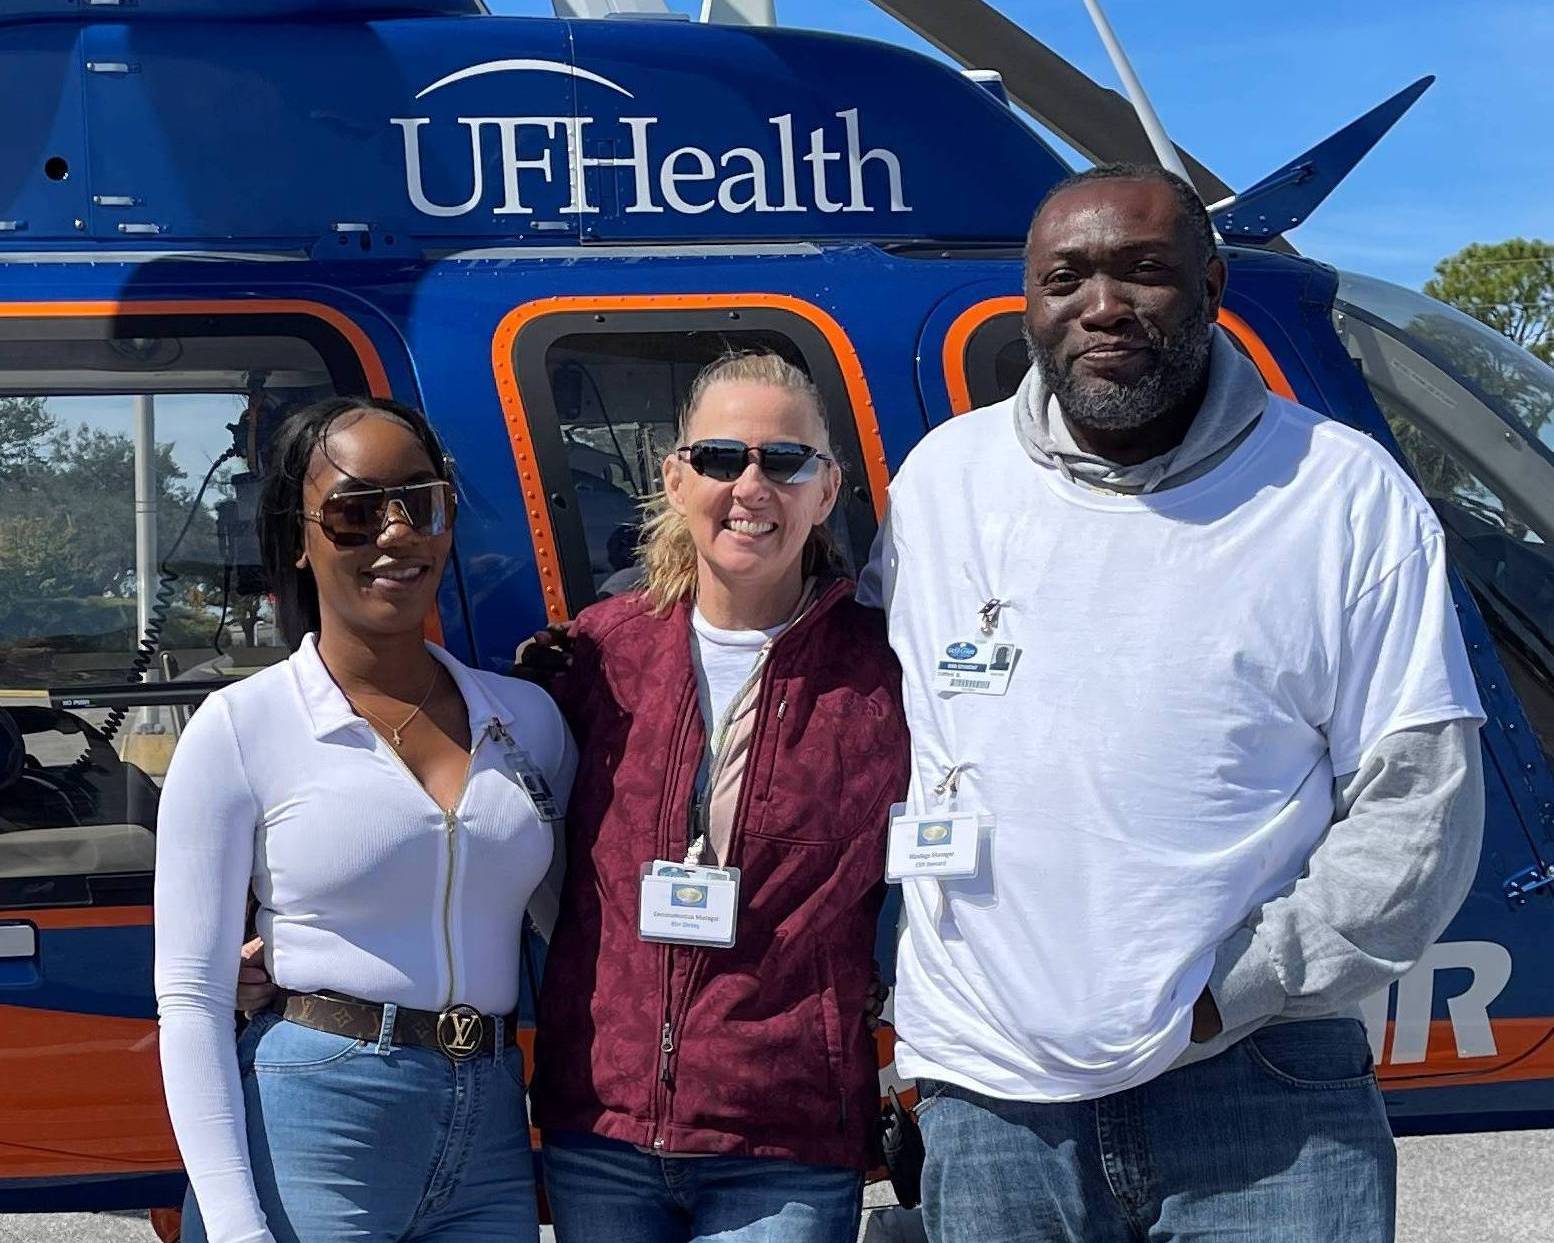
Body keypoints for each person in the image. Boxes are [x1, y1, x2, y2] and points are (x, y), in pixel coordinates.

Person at [863, 165, 1486, 1242]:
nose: (1101, 304)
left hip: (1259, 1082)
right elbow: (863, 727)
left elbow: (1419, 806)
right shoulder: (938, 488)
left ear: (1211, 282)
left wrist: (1234, 990)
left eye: (1142, 270)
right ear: (1029, 302)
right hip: (991, 1104)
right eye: (1067, 277)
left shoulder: (1340, 494)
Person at [155, 396, 575, 1243]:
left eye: (419, 503)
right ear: (300, 540)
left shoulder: (527, 721)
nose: (395, 534)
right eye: (353, 512)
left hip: (490, 1117)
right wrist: (238, 1227)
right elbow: (193, 998)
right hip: (314, 1117)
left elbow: (574, 935)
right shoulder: (241, 727)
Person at [529, 351, 910, 1242]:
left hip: (784, 1140)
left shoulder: (884, 672)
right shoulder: (595, 656)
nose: (751, 486)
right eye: (719, 459)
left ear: (828, 488)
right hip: (605, 1129)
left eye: (785, 461)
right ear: (675, 475)